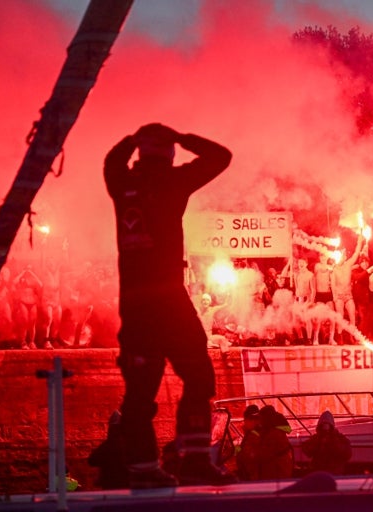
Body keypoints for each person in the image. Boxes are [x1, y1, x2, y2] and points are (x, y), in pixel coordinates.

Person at [104, 122, 235, 488]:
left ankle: (143, 469)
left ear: (141, 153)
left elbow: (110, 163)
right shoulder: (174, 183)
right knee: (198, 377)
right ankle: (194, 459)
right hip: (170, 300)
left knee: (139, 392)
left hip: (135, 305)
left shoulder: (120, 185)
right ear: (170, 154)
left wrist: (130, 139)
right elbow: (220, 157)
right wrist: (183, 137)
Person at [300, 410, 352, 475]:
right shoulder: (316, 438)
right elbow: (307, 450)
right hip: (318, 472)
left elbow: (347, 454)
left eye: (327, 424)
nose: (325, 427)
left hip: (334, 472)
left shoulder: (339, 438)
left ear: (331, 426)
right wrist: (317, 441)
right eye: (323, 424)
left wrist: (333, 441)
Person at [87, 410, 130, 489]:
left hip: (110, 486)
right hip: (126, 486)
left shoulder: (106, 446)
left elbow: (92, 460)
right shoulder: (129, 445)